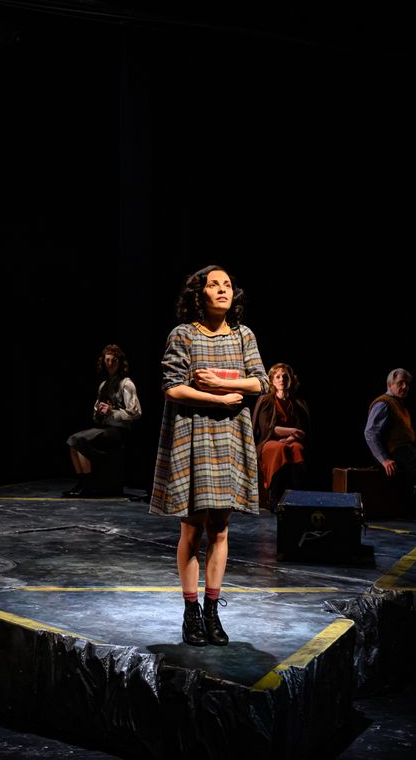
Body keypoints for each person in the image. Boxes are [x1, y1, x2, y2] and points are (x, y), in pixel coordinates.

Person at [151, 265, 269, 647]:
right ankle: (191, 612)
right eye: (213, 284)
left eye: (227, 285)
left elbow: (261, 381)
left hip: (230, 437)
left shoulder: (243, 335)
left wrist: (219, 381)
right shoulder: (183, 334)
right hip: (194, 435)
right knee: (192, 528)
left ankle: (212, 611)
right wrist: (217, 398)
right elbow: (172, 387)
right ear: (198, 294)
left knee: (220, 528)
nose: (222, 290)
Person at [65, 344, 142, 497]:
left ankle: (87, 485)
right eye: (107, 360)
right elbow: (96, 414)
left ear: (120, 362)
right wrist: (99, 412)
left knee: (80, 440)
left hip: (120, 430)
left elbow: (136, 413)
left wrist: (112, 412)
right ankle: (82, 481)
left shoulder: (126, 384)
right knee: (72, 441)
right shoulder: (104, 385)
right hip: (106, 428)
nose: (110, 364)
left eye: (114, 360)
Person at [364, 368, 416, 489]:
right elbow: (370, 433)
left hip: (405, 451)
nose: (405, 386)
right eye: (400, 383)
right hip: (395, 453)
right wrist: (384, 460)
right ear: (389, 384)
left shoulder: (400, 405)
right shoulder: (383, 403)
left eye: (407, 384)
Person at [252, 362, 311, 512]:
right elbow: (268, 428)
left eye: (285, 376)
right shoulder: (266, 400)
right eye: (277, 377)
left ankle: (298, 498)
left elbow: (302, 430)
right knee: (279, 449)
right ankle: (275, 499)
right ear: (272, 380)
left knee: (297, 449)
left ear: (291, 379)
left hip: (291, 442)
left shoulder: (297, 403)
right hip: (268, 441)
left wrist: (291, 438)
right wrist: (293, 431)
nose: (282, 380)